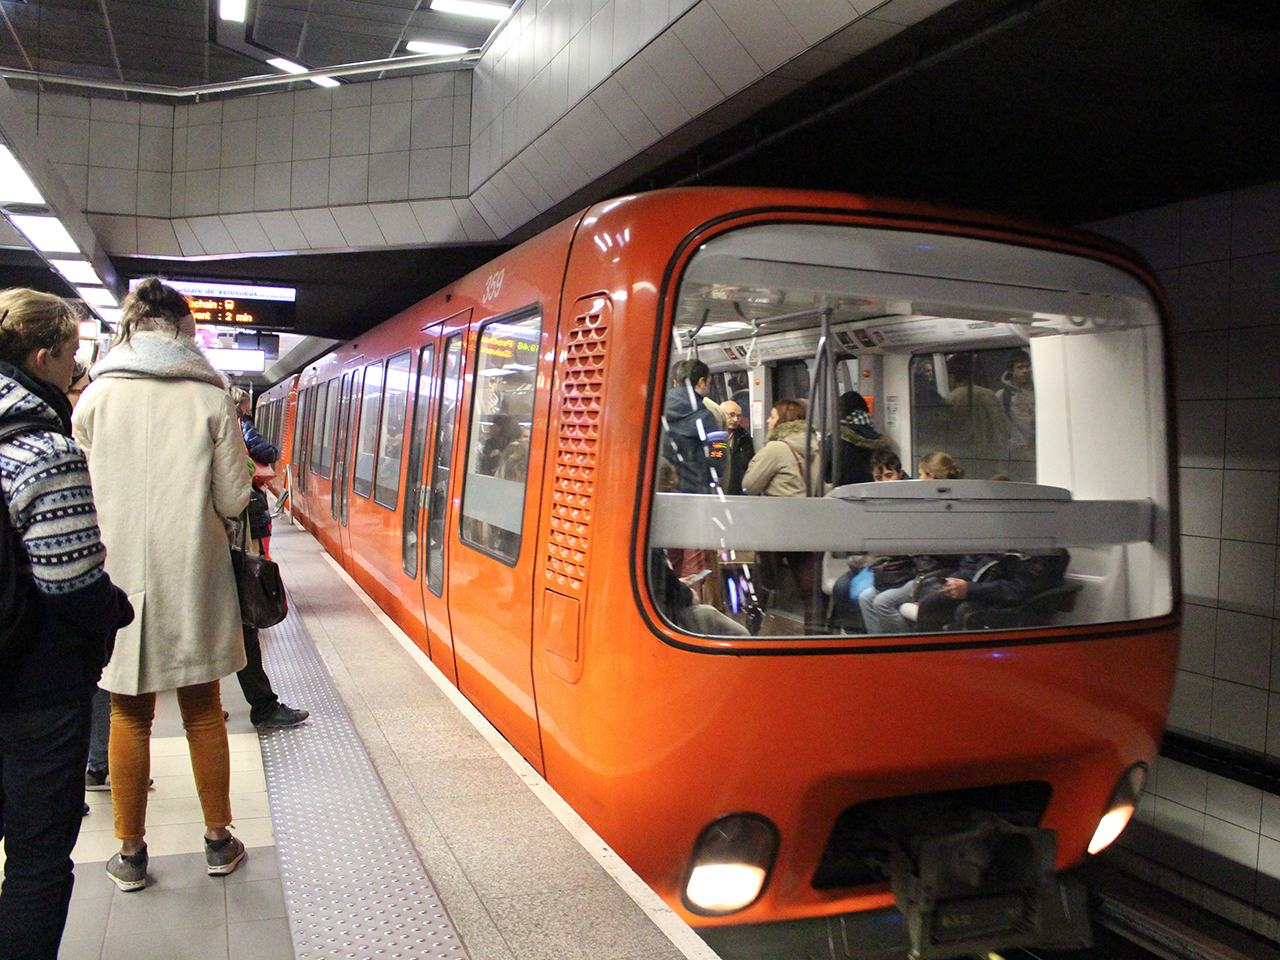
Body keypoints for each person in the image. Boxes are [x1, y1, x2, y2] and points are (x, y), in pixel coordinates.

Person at [72, 278, 253, 892]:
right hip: (192, 570)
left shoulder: (95, 398)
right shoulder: (211, 398)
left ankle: (129, 853)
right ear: (184, 330)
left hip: (114, 570)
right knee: (204, 710)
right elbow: (233, 495)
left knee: (128, 712)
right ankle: (218, 842)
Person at [0, 288, 133, 957]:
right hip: (33, 687)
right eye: (74, 354)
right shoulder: (44, 447)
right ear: (45, 354)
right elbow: (73, 583)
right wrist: (117, 610)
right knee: (34, 861)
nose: (76, 370)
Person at [227, 387, 308, 732]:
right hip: (219, 548)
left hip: (199, 549)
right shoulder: (225, 432)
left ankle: (205, 703)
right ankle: (263, 707)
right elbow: (233, 491)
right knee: (243, 627)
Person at [857, 452, 964, 634]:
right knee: (865, 598)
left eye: (922, 474)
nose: (919, 479)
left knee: (883, 603)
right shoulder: (922, 503)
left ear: (932, 477)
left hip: (932, 574)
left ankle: (902, 648)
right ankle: (879, 651)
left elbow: (936, 553)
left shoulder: (944, 508)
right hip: (916, 570)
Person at [741, 399, 821, 629]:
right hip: (806, 525)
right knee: (809, 591)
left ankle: (749, 633)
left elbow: (749, 485)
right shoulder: (815, 447)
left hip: (776, 527)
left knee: (761, 588)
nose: (768, 420)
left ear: (784, 420)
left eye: (773, 416)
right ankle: (815, 642)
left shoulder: (776, 449)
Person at [821, 390, 894, 487]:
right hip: (874, 492)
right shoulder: (879, 439)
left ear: (841, 412)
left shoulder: (835, 440)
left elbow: (825, 472)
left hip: (845, 494)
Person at [720, 399, 754, 496]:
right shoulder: (715, 436)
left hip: (737, 492)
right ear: (721, 414)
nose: (735, 420)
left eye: (738, 416)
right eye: (731, 415)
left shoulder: (745, 439)